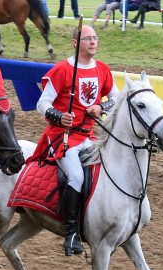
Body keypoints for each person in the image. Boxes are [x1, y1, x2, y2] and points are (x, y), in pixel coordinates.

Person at [27, 25, 119, 256]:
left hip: (89, 135)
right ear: (75, 43)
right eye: (88, 39)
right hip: (63, 137)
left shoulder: (102, 69)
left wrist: (101, 106)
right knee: (76, 176)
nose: (93, 42)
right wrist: (59, 116)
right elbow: (42, 103)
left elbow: (116, 98)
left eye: (95, 38)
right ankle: (71, 233)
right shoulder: (62, 70)